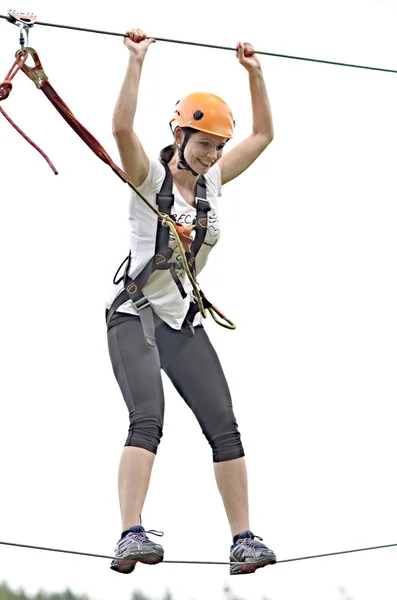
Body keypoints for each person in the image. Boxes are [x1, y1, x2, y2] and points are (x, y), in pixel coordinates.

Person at [106, 28, 276, 576]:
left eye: (218, 147)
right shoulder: (146, 177)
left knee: (224, 425)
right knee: (147, 418)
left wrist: (255, 74)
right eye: (203, 144)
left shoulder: (215, 183)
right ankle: (131, 533)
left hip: (182, 320)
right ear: (179, 136)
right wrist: (135, 63)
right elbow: (120, 128)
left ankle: (243, 540)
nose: (211, 154)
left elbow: (265, 135)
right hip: (135, 314)